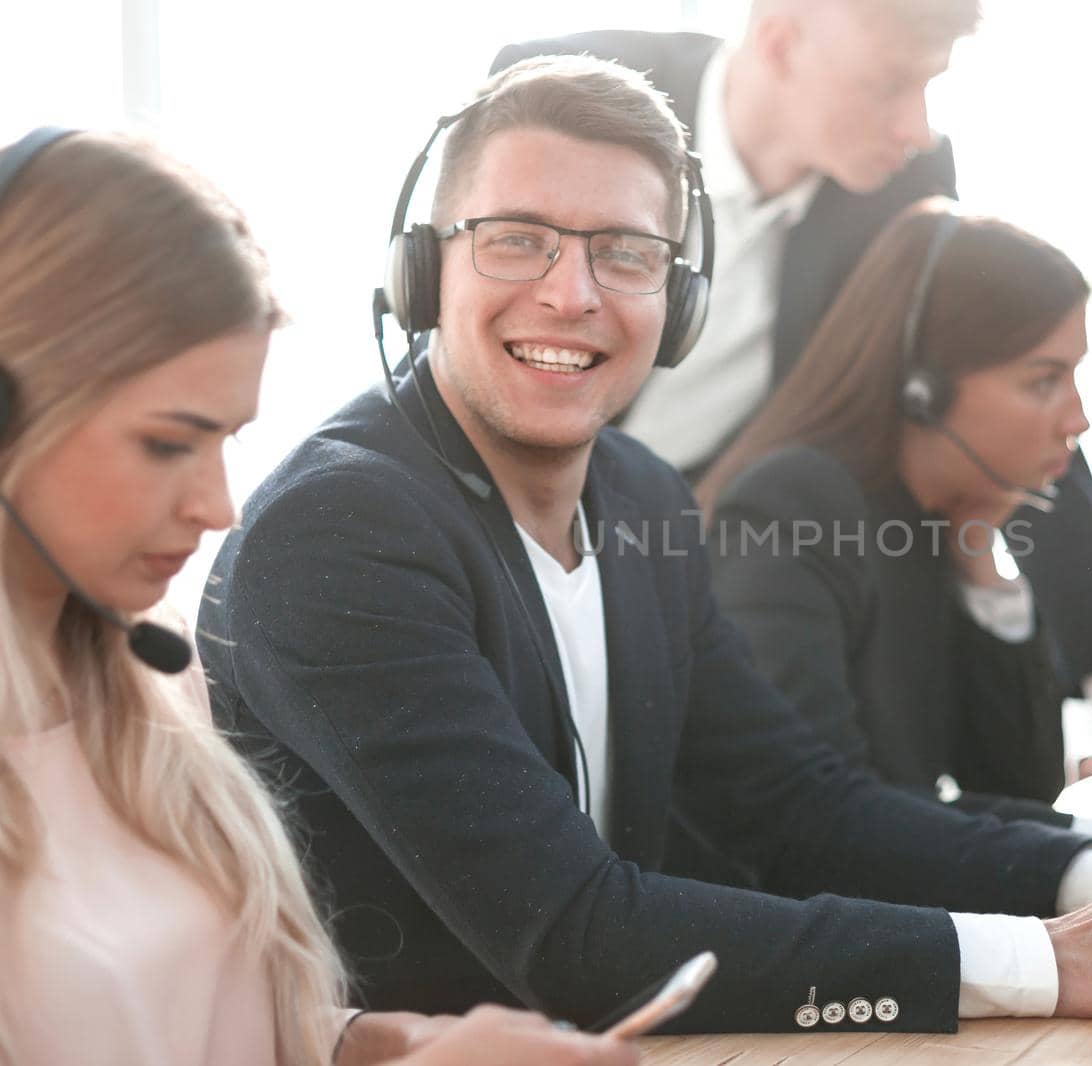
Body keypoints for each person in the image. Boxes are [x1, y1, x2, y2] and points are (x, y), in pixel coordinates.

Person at [196, 55, 1092, 1035]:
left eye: (625, 252)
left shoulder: (639, 497)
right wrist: (1048, 961)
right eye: (517, 237)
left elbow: (799, 806)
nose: (572, 293)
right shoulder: (340, 531)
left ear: (680, 297)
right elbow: (581, 937)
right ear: (424, 270)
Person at [0, 128, 637, 1066]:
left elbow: (197, 1021)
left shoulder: (148, 678)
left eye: (228, 442)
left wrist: (375, 1045)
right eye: (167, 444)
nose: (216, 507)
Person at [491, 0, 1092, 797]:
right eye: (888, 86)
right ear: (780, 41)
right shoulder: (562, 89)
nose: (916, 126)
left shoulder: (903, 180)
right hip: (503, 523)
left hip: (690, 564)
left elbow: (1009, 415)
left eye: (930, 87)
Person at [696, 200, 1092, 864]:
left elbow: (1017, 786)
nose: (1079, 419)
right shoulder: (796, 509)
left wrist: (980, 555)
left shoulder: (934, 520)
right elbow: (824, 819)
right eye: (1044, 381)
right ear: (922, 386)